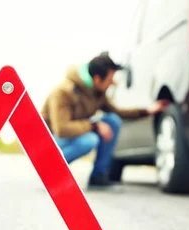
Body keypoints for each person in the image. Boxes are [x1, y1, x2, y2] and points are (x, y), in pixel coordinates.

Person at [41, 53, 169, 189]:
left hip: (75, 133)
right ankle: (49, 169)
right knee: (90, 140)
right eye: (110, 79)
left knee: (112, 121)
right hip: (51, 140)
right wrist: (95, 125)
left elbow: (118, 112)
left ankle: (98, 176)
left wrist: (147, 111)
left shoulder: (98, 92)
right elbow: (61, 129)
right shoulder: (63, 91)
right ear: (97, 79)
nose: (113, 83)